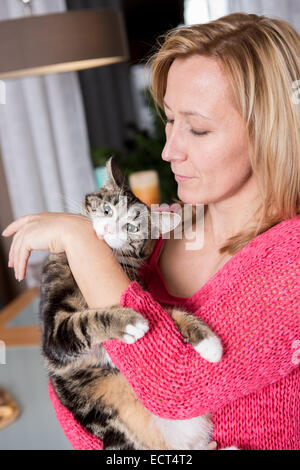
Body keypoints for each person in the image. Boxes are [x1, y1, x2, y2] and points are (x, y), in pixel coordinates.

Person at [2, 12, 300, 450]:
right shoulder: (160, 228)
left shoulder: (290, 260)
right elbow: (73, 386)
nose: (168, 150)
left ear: (270, 130)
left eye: (197, 128)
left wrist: (83, 243)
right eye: (169, 119)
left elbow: (173, 387)